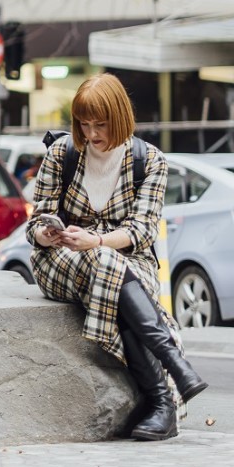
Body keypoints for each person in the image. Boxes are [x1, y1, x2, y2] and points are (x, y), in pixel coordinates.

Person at [28, 73, 206, 441]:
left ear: (120, 118)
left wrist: (97, 241)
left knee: (107, 264)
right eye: (83, 123)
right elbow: (34, 225)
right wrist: (48, 234)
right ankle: (170, 380)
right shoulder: (62, 154)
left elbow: (142, 231)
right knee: (107, 266)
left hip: (126, 260)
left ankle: (161, 402)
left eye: (100, 124)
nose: (91, 134)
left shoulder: (149, 161)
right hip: (59, 262)